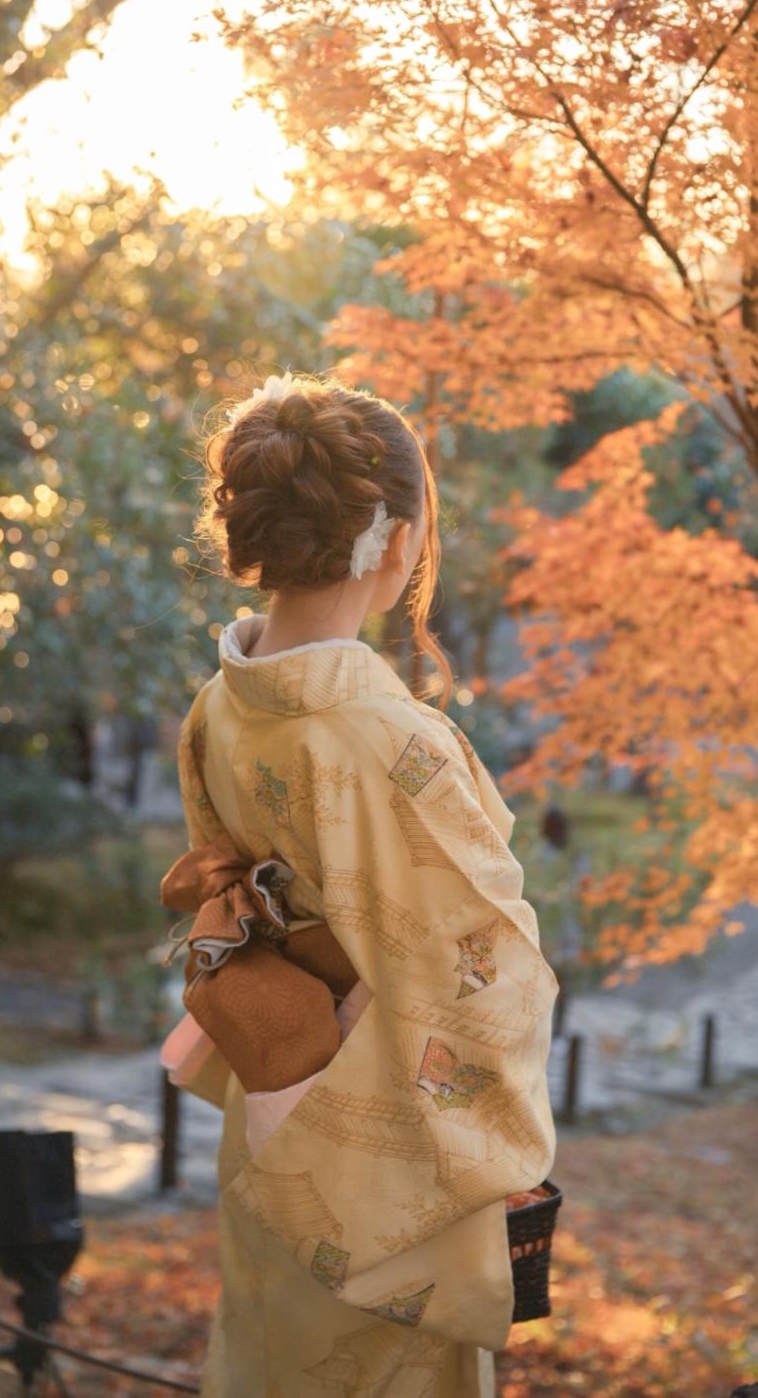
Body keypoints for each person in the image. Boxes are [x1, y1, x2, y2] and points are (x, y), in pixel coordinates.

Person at [159, 369, 559, 1398]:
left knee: (273, 1353)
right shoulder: (391, 741)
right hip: (381, 1155)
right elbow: (483, 973)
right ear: (390, 539)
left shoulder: (221, 704)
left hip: (274, 1096)